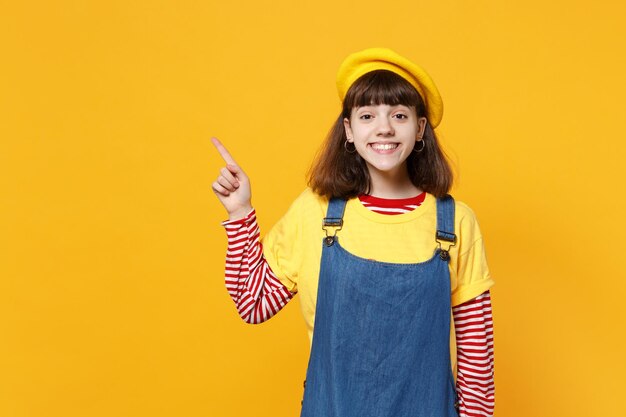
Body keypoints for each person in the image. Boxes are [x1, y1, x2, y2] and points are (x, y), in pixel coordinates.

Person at [211, 47, 495, 417]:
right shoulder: (316, 211)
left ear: (420, 127)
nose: (384, 128)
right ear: (349, 129)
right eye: (367, 115)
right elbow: (253, 302)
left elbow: (477, 363)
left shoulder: (456, 222)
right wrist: (240, 212)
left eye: (399, 115)